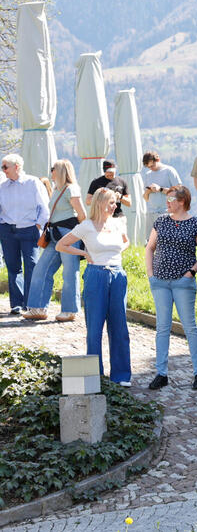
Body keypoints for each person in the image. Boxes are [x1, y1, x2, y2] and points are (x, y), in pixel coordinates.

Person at [57, 188, 131, 384]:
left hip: (117, 275)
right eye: (111, 202)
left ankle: (122, 376)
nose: (115, 206)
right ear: (100, 203)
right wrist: (85, 254)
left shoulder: (117, 223)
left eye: (115, 202)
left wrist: (116, 253)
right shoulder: (86, 226)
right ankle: (94, 376)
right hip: (95, 275)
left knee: (120, 327)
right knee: (94, 328)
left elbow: (127, 242)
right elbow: (61, 245)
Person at [143, 185, 197, 391]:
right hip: (160, 282)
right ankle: (161, 373)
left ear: (182, 201)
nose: (167, 202)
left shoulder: (196, 223)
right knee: (162, 328)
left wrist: (191, 272)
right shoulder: (161, 221)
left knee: (190, 327)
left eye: (171, 199)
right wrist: (150, 275)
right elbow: (150, 247)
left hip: (183, 283)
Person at [23, 159, 85, 322]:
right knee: (41, 269)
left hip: (69, 234)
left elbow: (82, 214)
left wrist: (81, 235)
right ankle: (38, 308)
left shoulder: (71, 189)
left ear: (61, 171)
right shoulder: (58, 189)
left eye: (53, 169)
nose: (51, 172)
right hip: (54, 234)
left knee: (70, 272)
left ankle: (70, 310)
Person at [0, 153, 49, 315]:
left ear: (17, 166)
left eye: (5, 167)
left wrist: (38, 225)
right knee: (13, 267)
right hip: (7, 229)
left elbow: (44, 207)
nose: (3, 170)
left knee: (32, 266)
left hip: (29, 229)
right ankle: (17, 304)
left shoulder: (33, 183)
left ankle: (31, 303)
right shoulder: (2, 186)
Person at [141, 150, 182, 233]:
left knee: (168, 240)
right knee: (151, 242)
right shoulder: (148, 174)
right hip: (152, 213)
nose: (151, 168)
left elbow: (179, 192)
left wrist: (160, 189)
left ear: (158, 160)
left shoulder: (169, 171)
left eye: (152, 165)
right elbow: (145, 198)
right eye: (149, 167)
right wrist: (148, 191)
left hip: (167, 212)